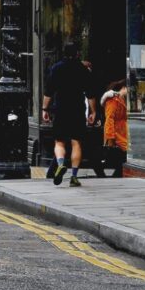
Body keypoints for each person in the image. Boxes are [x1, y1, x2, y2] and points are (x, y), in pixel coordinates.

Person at [45, 39, 92, 186]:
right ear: (77, 53)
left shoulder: (56, 68)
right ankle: (74, 176)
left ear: (63, 53)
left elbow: (49, 91)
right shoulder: (82, 69)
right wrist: (93, 111)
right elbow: (90, 93)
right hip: (77, 109)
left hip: (61, 108)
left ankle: (60, 165)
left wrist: (44, 109)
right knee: (76, 142)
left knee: (59, 142)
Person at [100, 77, 129, 178]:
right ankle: (115, 175)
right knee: (121, 156)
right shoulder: (113, 100)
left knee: (121, 157)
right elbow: (109, 118)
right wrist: (110, 137)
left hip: (121, 132)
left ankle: (116, 174)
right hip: (116, 133)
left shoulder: (121, 99)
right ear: (124, 88)